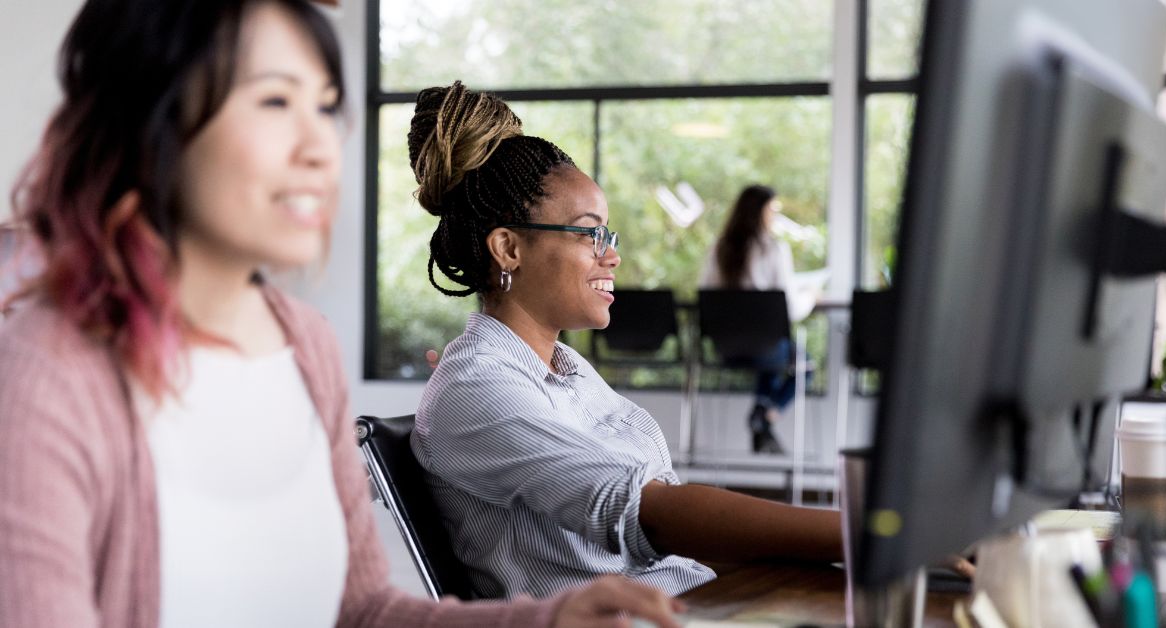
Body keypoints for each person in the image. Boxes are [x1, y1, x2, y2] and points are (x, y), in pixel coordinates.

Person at [0, 2, 685, 627]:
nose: (320, 146)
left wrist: (544, 622)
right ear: (154, 123)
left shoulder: (304, 346)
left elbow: (360, 609)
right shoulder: (47, 377)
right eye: (274, 101)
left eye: (325, 107)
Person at [408, 82, 843, 601]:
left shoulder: (563, 369)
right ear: (508, 248)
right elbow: (644, 512)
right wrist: (865, 535)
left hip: (688, 597)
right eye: (588, 233)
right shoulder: (477, 387)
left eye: (607, 235)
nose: (610, 255)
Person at [699, 185, 809, 454]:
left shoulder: (718, 249)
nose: (774, 216)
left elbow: (705, 296)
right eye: (772, 210)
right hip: (767, 350)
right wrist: (810, 297)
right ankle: (766, 414)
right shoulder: (773, 250)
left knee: (770, 357)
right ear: (759, 213)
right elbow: (789, 310)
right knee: (803, 365)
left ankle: (762, 415)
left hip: (726, 349)